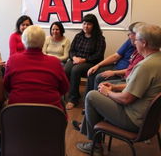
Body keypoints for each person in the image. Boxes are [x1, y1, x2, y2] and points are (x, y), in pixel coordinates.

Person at [75, 23, 161, 156]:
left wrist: (108, 93)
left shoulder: (145, 66)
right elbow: (136, 87)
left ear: (144, 43)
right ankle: (90, 132)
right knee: (99, 95)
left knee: (92, 96)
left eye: (136, 40)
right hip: (149, 120)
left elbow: (126, 99)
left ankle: (95, 145)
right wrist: (114, 87)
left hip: (134, 120)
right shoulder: (157, 60)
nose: (134, 43)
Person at [4, 25, 69, 113]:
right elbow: (64, 88)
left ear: (23, 41)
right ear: (43, 42)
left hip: (17, 116)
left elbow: (7, 87)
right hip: (51, 117)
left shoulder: (12, 60)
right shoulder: (55, 62)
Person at [86, 22, 144, 93]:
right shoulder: (130, 42)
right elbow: (116, 56)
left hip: (123, 74)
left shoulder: (142, 52)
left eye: (131, 33)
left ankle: (94, 98)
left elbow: (132, 71)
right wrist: (97, 65)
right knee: (92, 72)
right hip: (116, 67)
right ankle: (88, 98)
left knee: (99, 77)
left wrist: (114, 73)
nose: (128, 36)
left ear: (138, 35)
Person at [64, 14, 106, 110]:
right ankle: (67, 93)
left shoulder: (100, 38)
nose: (86, 26)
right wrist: (74, 57)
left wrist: (84, 60)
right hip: (76, 60)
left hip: (91, 62)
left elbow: (98, 55)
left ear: (94, 25)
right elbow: (71, 50)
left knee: (75, 70)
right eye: (84, 23)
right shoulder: (78, 36)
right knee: (66, 69)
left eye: (89, 24)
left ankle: (73, 99)